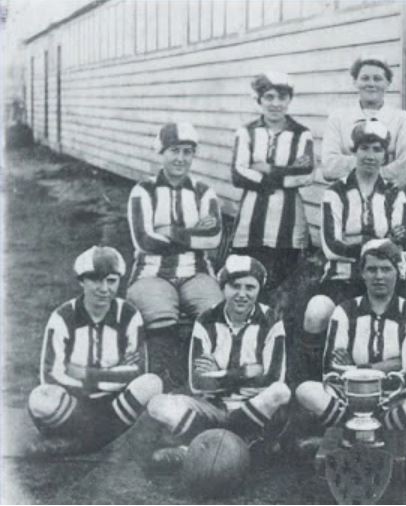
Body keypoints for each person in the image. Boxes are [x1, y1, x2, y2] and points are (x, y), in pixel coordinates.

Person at [301, 121, 406, 381]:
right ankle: (318, 380)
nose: (370, 156)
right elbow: (331, 246)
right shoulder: (335, 193)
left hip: (388, 279)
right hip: (344, 278)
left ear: (385, 155)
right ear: (354, 151)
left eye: (377, 149)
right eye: (364, 148)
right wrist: (384, 242)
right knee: (317, 311)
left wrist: (360, 240)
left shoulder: (394, 194)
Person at [147, 255, 291, 468]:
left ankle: (199, 447)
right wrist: (246, 372)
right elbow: (197, 382)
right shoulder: (206, 319)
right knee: (157, 404)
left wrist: (220, 373)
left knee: (281, 391)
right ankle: (240, 444)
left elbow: (272, 378)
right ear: (224, 288)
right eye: (235, 286)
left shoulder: (271, 320)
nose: (242, 294)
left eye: (250, 287)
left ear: (259, 289)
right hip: (212, 409)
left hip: (252, 408)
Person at [27, 246, 162, 455]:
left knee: (152, 383)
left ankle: (78, 443)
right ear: (81, 281)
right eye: (96, 280)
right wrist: (112, 374)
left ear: (119, 282)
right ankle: (103, 439)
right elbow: (51, 374)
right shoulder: (63, 317)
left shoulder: (128, 315)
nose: (104, 289)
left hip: (112, 406)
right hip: (75, 405)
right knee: (40, 398)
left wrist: (85, 374)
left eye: (111, 281)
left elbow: (137, 371)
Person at [296, 240, 406, 435]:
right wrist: (389, 365)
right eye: (372, 269)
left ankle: (362, 431)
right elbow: (332, 370)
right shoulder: (344, 311)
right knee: (306, 390)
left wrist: (359, 369)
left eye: (386, 269)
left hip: (395, 398)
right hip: (348, 400)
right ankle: (364, 431)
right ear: (362, 273)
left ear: (398, 272)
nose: (379, 276)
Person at [127, 122, 224, 387]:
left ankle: (205, 382)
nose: (181, 158)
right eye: (174, 151)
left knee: (215, 311)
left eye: (187, 151)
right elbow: (145, 240)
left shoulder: (204, 191)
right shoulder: (143, 191)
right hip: (151, 273)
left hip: (196, 272)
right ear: (162, 152)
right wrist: (193, 234)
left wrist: (169, 230)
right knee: (159, 313)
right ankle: (162, 382)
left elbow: (213, 238)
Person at [229, 72, 314, 298]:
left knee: (285, 282)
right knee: (249, 276)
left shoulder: (301, 134)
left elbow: (304, 175)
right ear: (259, 100)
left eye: (282, 97)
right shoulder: (246, 132)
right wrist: (284, 175)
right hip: (252, 219)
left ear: (289, 100)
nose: (275, 103)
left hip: (288, 220)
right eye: (269, 97)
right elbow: (238, 174)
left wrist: (264, 169)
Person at [321, 55, 406, 189]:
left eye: (377, 79)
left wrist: (351, 163)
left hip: (387, 197)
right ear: (355, 82)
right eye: (365, 78)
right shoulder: (338, 118)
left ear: (388, 83)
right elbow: (329, 168)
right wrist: (380, 164)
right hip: (345, 197)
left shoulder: (401, 119)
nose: (371, 84)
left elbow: (405, 170)